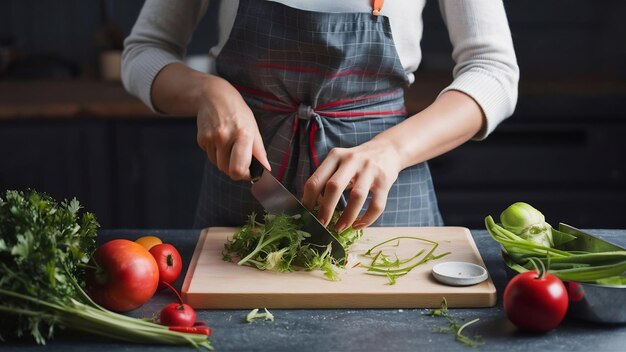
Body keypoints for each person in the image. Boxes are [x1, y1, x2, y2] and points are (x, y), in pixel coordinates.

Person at [121, 0, 519, 231]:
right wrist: (208, 91)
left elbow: (493, 71)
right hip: (243, 195)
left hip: (384, 203)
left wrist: (392, 151)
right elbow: (144, 51)